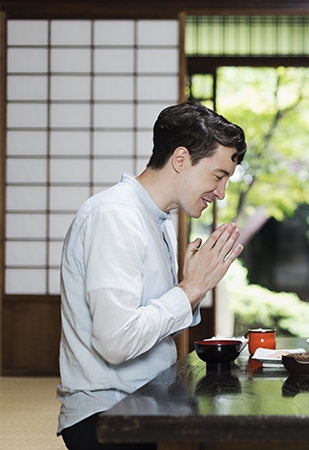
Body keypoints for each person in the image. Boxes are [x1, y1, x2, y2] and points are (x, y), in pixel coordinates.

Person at [57, 101, 247, 450]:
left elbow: (152, 328)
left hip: (148, 399)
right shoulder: (116, 216)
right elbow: (116, 343)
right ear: (180, 160)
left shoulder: (157, 219)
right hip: (110, 415)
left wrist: (192, 289)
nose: (221, 192)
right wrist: (189, 289)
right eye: (218, 176)